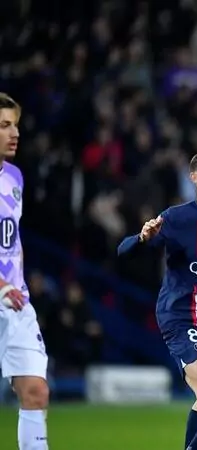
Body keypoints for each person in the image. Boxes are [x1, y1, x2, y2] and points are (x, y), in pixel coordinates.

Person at [117, 147, 197, 450]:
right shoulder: (176, 217)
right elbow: (124, 251)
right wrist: (142, 238)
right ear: (194, 177)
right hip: (183, 317)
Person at [0, 92, 50, 449]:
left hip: (14, 302)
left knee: (35, 390)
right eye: (4, 126)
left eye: (15, 125)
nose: (14, 133)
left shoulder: (15, 177)